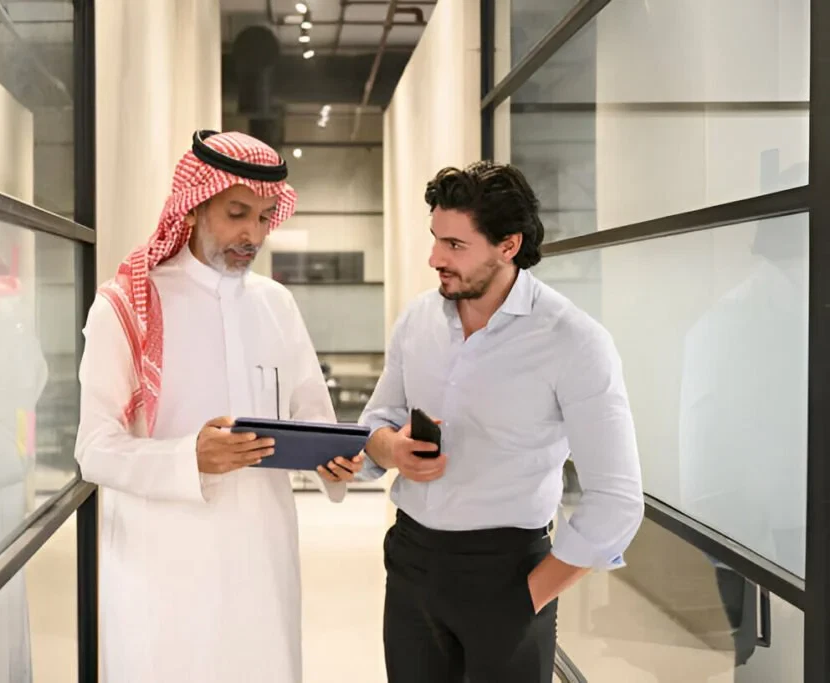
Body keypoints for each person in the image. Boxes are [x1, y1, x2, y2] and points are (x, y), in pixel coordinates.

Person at [75, 130, 364, 682]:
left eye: (265, 217)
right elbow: (94, 450)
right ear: (193, 207)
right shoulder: (126, 306)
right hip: (163, 565)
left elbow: (314, 417)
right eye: (236, 214)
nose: (252, 234)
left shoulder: (277, 305)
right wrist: (189, 458)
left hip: (262, 559)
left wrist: (334, 460)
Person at [359, 161, 644, 682]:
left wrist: (527, 597)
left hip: (509, 573)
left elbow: (617, 499)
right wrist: (389, 449)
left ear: (508, 245)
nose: (435, 258)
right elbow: (377, 422)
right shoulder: (418, 320)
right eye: (435, 239)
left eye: (455, 245)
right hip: (411, 565)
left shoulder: (574, 341)